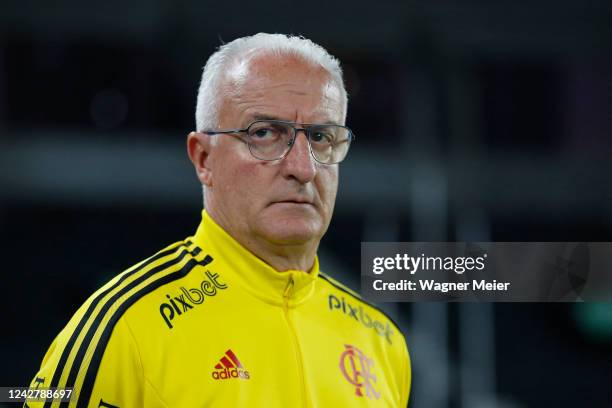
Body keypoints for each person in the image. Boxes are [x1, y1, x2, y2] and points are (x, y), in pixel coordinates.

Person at [26, 33, 411, 407]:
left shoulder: (382, 342)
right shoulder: (123, 329)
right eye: (264, 133)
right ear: (203, 159)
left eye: (322, 137)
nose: (303, 168)